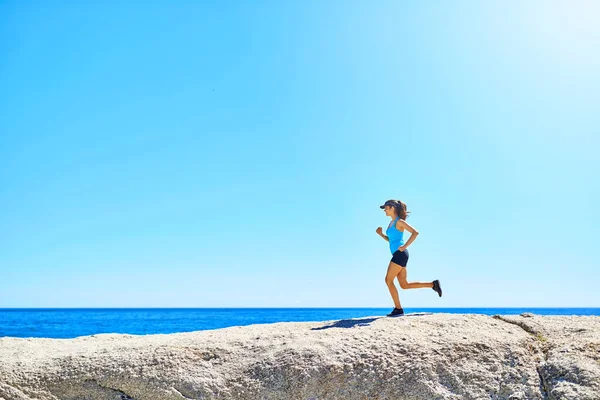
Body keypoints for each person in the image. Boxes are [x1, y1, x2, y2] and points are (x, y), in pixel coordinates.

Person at [375, 199, 442, 317]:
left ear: (392, 208)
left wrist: (405, 246)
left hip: (400, 254)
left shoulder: (399, 222)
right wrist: (381, 235)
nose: (384, 210)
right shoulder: (391, 224)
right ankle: (433, 285)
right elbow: (392, 241)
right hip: (399, 254)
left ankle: (398, 309)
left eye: (385, 208)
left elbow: (415, 232)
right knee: (404, 285)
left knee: (388, 280)